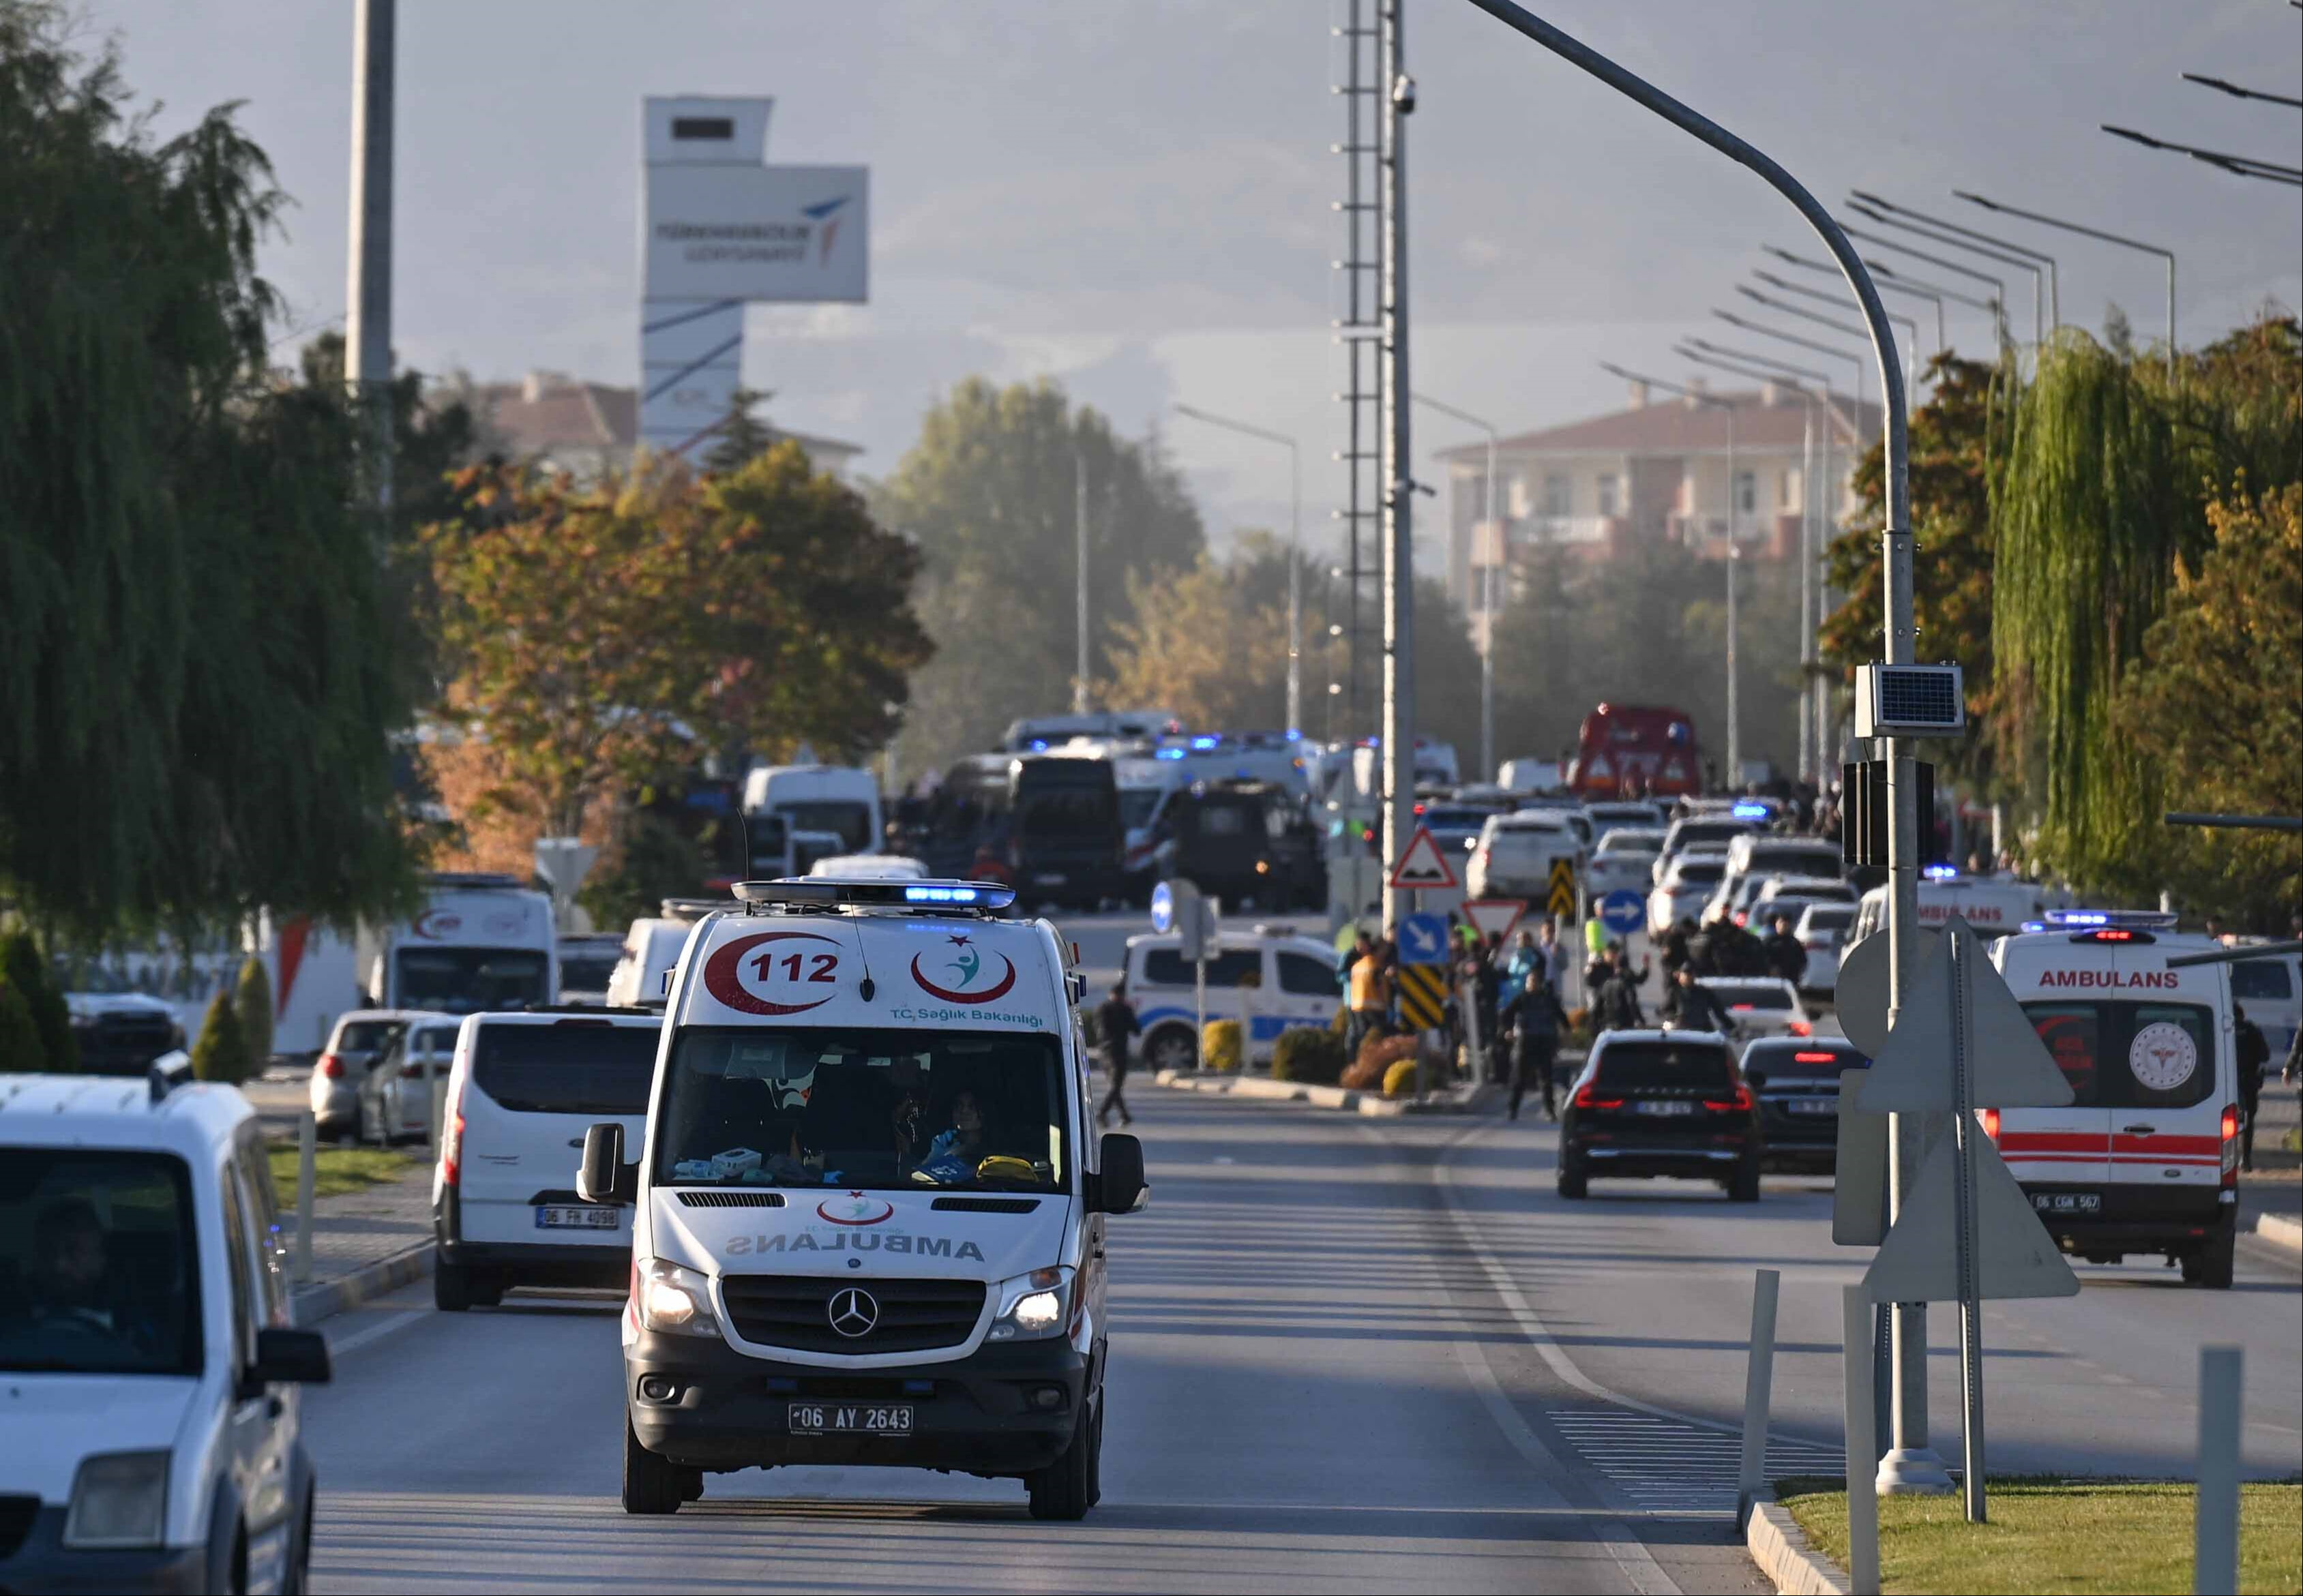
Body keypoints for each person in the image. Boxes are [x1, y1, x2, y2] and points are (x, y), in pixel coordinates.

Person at [1500, 969, 1568, 1120]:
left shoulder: (1549, 999)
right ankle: (1513, 1110)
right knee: (1519, 1079)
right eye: (1529, 982)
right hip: (1526, 1042)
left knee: (1546, 1080)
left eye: (1534, 982)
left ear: (1540, 983)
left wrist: (1565, 1032)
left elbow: (1562, 1017)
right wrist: (1508, 1030)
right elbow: (1506, 1015)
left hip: (1544, 1042)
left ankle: (1550, 1111)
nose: (1531, 985)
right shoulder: (1522, 999)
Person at [1096, 981, 1139, 1128]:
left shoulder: (1103, 1009)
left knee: (1115, 1086)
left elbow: (1099, 1031)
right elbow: (1137, 1030)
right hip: (1119, 1053)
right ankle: (1102, 1112)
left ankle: (1124, 1116)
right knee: (1116, 1086)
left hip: (1105, 1052)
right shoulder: (1125, 1009)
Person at [2235, 1003, 2270, 1172]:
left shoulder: (2223, 1029)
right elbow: (2265, 1054)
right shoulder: (2252, 1030)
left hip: (2228, 1084)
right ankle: (2246, 1160)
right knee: (2248, 1122)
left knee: (2224, 1122)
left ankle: (2225, 1159)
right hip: (2249, 1082)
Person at [1345, 931, 1388, 1058]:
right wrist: (1388, 1005)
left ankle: (1356, 1062)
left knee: (1360, 1038)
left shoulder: (1357, 966)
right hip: (1375, 1007)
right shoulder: (1375, 966)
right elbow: (1381, 988)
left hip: (1357, 1006)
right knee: (1376, 1038)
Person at [1663, 967, 1736, 1037]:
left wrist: (1731, 1026)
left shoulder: (1704, 992)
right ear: (1680, 976)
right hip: (1682, 1031)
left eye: (1690, 974)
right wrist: (1673, 1021)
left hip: (1702, 1031)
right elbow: (1667, 1010)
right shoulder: (1676, 992)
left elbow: (1719, 1012)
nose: (1688, 977)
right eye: (1685, 975)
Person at [1763, 914, 1806, 987]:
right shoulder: (1769, 941)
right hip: (1772, 980)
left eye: (1786, 924)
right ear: (1776, 924)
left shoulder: (1794, 943)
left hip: (1790, 980)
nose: (1783, 926)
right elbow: (1761, 958)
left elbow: (1802, 960)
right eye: (1781, 923)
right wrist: (1770, 969)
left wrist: (1795, 972)